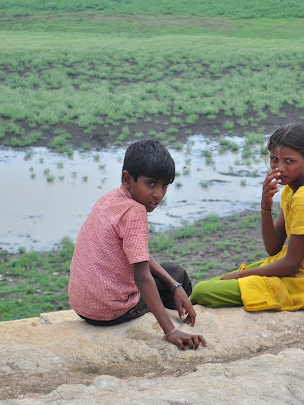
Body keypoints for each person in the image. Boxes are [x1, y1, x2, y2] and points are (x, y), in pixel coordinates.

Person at [190, 123, 304, 311]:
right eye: (274, 160)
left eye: (289, 161)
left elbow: (292, 265)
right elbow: (273, 248)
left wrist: (240, 277)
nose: (279, 168)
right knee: (215, 281)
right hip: (296, 269)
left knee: (202, 291)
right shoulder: (292, 191)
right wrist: (265, 206)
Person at [68, 139, 206, 350]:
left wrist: (173, 285)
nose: (158, 194)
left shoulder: (109, 199)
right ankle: (180, 318)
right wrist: (170, 331)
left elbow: (137, 253)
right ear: (127, 179)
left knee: (171, 277)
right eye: (151, 184)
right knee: (177, 273)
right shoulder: (135, 212)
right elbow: (142, 277)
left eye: (164, 186)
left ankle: (176, 297)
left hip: (83, 307)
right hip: (110, 312)